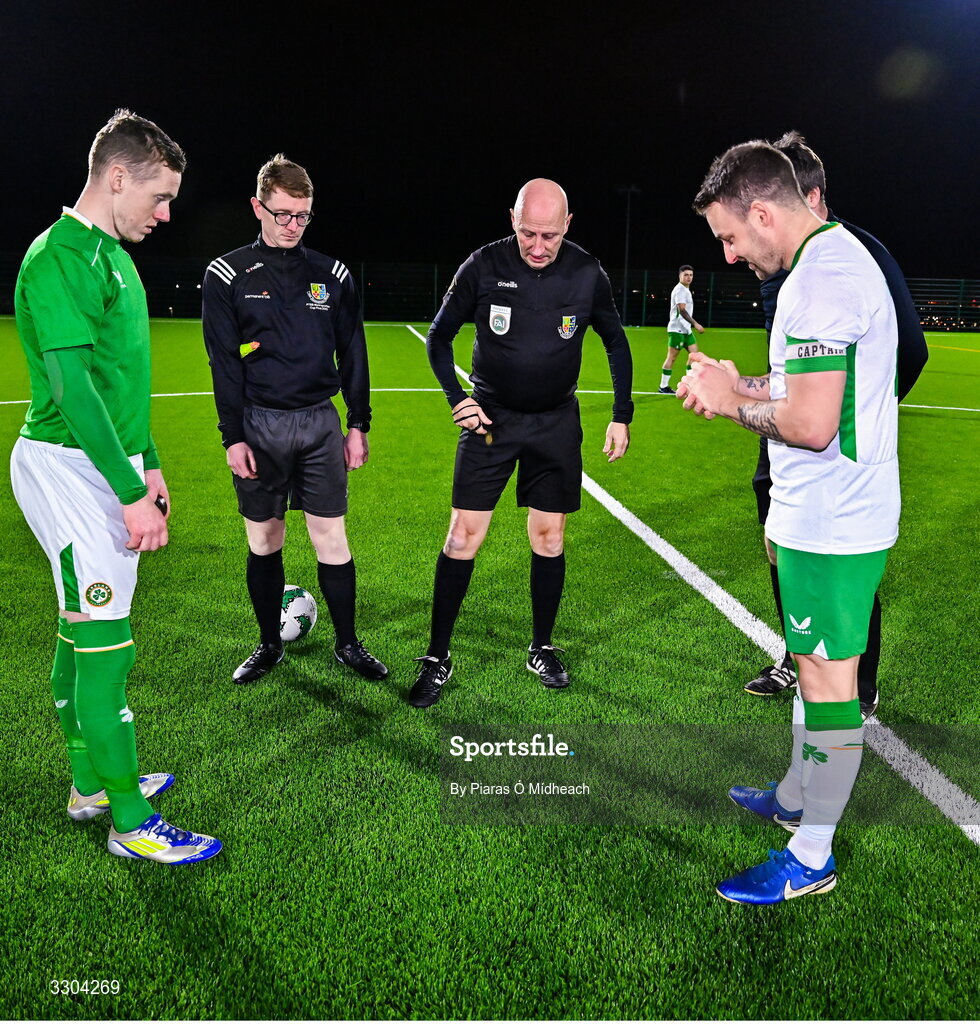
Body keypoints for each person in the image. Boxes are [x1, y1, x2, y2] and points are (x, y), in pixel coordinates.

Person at [681, 140, 901, 904]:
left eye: (731, 237)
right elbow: (808, 382)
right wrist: (739, 379)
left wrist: (729, 404)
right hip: (828, 510)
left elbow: (809, 423)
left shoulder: (821, 281)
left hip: (837, 515)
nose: (732, 254)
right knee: (812, 665)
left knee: (829, 677)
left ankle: (811, 856)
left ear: (765, 212)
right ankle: (799, 796)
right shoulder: (826, 262)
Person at [9, 109, 221, 864]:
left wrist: (151, 461)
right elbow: (70, 388)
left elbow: (120, 380)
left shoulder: (114, 257)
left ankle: (88, 784)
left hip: (109, 462)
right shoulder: (58, 258)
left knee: (84, 630)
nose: (165, 213)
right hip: (69, 467)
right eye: (158, 197)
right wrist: (129, 491)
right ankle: (130, 822)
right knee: (106, 643)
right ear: (118, 175)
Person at [410, 178, 633, 708]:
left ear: (567, 226)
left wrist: (621, 415)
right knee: (463, 536)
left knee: (549, 537)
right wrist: (455, 398)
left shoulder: (586, 272)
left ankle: (541, 646)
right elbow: (439, 339)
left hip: (556, 423)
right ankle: (437, 656)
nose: (537, 245)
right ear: (512, 219)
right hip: (490, 420)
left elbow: (616, 341)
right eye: (528, 232)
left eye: (549, 236)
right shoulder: (484, 266)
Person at [742, 132, 928, 717]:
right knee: (783, 545)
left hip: (834, 466)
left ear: (809, 197)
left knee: (840, 587)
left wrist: (860, 409)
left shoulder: (844, 261)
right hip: (796, 448)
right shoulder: (796, 264)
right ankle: (803, 653)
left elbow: (911, 351)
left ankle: (854, 680)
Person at [202, 155, 386, 686]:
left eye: (302, 216)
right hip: (259, 425)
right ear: (258, 206)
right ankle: (267, 646)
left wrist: (358, 423)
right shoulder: (228, 273)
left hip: (319, 424)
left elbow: (354, 350)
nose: (291, 225)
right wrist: (232, 437)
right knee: (265, 539)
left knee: (332, 538)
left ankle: (348, 645)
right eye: (281, 214)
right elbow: (223, 362)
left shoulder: (332, 274)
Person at [659, 265, 705, 393]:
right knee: (672, 358)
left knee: (694, 356)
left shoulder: (686, 290)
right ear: (680, 276)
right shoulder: (680, 290)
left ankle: (690, 384)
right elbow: (682, 310)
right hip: (677, 330)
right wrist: (695, 324)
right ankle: (663, 386)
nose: (689, 277)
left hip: (686, 330)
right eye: (686, 275)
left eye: (691, 275)